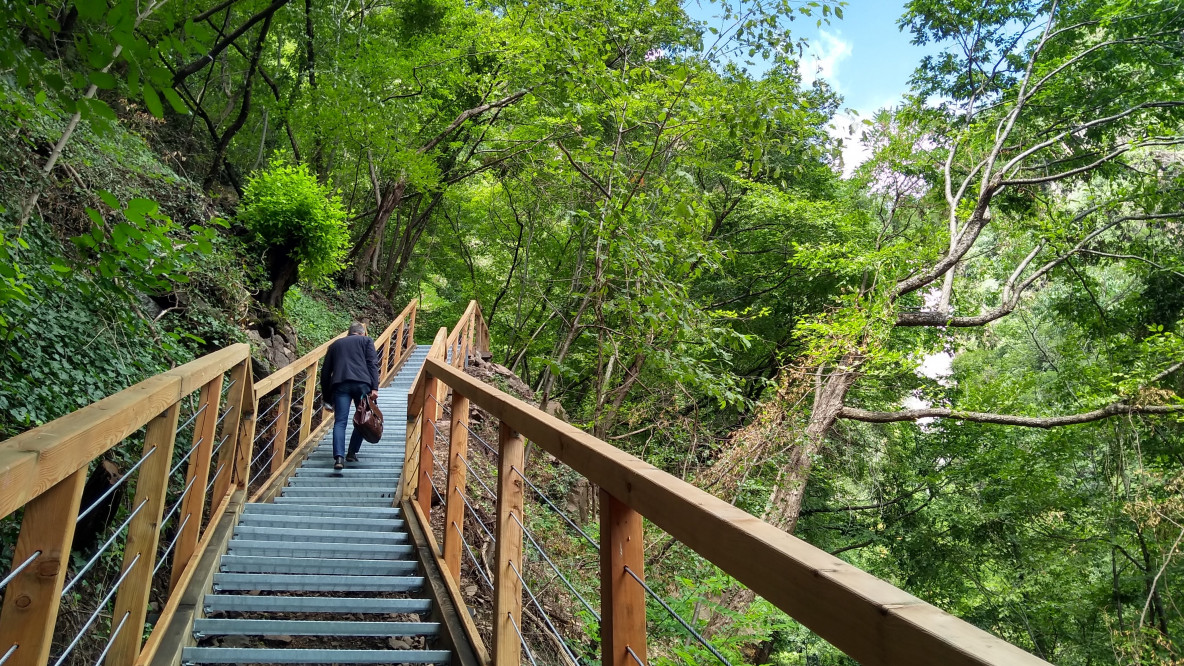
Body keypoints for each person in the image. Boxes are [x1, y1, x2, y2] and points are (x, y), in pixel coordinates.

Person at [320, 322, 380, 470]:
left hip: (341, 385)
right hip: (362, 385)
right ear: (362, 333)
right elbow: (372, 364)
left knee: (340, 421)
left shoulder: (335, 345)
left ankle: (339, 458)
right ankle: (352, 453)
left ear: (349, 333)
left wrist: (327, 398)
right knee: (362, 418)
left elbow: (325, 372)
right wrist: (374, 387)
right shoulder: (366, 341)